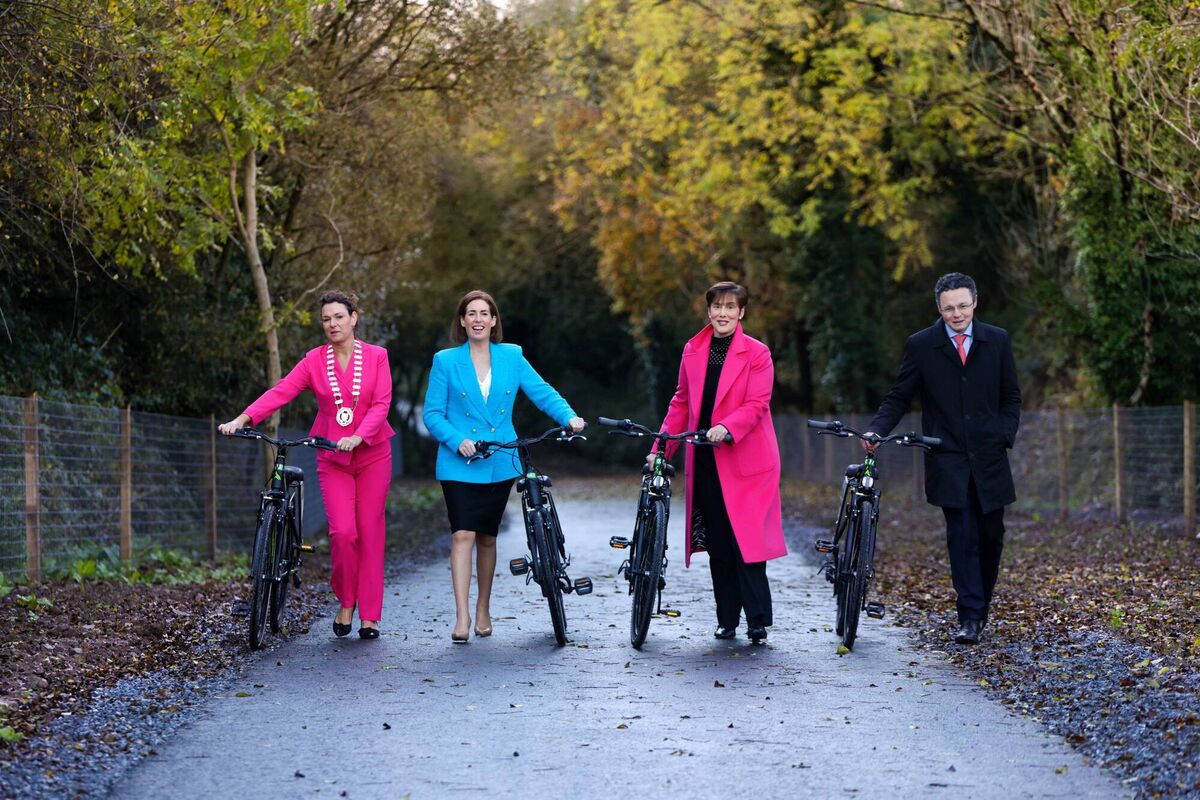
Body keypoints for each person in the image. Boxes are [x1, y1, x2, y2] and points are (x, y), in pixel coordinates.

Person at [219, 290, 394, 641]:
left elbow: (381, 403)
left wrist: (358, 436)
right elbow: (282, 390)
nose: (332, 324)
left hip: (372, 455)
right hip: (332, 457)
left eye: (339, 317)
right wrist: (243, 418)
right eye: (326, 319)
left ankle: (370, 615)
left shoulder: (377, 356)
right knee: (343, 534)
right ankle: (346, 601)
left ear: (354, 317)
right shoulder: (315, 360)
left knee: (370, 533)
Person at [863, 272, 1021, 645]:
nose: (957, 314)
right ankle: (969, 616)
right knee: (962, 534)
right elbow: (899, 395)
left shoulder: (997, 340)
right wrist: (877, 430)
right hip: (947, 457)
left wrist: (1004, 434)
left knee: (991, 535)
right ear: (939, 307)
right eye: (949, 308)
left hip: (990, 457)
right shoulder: (922, 345)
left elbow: (1010, 396)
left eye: (963, 306)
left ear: (975, 303)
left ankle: (980, 607)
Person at [423, 290, 586, 643]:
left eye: (485, 313)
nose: (478, 319)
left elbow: (542, 391)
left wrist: (569, 417)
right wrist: (456, 439)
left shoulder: (512, 356)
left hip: (500, 458)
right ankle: (462, 616)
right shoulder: (445, 361)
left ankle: (483, 607)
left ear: (494, 320)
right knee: (462, 533)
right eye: (471, 313)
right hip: (458, 461)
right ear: (462, 320)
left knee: (487, 536)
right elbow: (432, 414)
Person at [652, 281, 787, 643]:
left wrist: (727, 427)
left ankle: (757, 620)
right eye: (717, 307)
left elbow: (758, 403)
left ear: (742, 312)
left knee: (747, 541)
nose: (723, 313)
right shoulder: (693, 350)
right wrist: (660, 450)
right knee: (719, 544)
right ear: (708, 310)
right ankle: (727, 619)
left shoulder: (757, 353)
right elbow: (681, 402)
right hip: (706, 458)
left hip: (748, 460)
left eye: (730, 307)